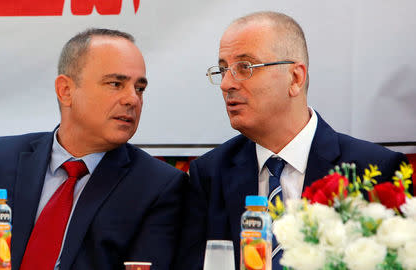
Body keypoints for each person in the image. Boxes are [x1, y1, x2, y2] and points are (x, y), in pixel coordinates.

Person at [174, 11, 408, 270]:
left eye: (245, 67)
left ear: (295, 78)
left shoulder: (373, 169)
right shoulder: (210, 175)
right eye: (222, 70)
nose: (226, 84)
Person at [0, 28, 187, 270]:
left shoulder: (157, 186)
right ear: (66, 91)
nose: (132, 99)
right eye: (116, 84)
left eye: (140, 88)